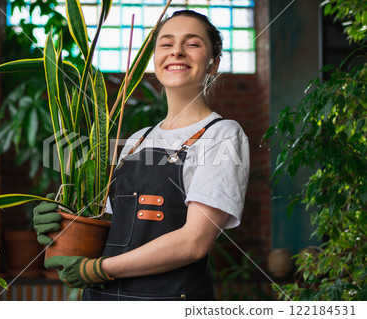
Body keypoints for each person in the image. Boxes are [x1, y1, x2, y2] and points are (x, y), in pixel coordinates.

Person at [33, 10, 250, 301]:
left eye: (193, 43)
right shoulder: (139, 139)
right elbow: (110, 227)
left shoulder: (222, 134)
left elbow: (194, 242)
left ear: (214, 64)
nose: (177, 51)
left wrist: (100, 270)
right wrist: (63, 223)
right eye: (166, 43)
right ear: (155, 59)